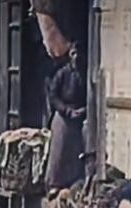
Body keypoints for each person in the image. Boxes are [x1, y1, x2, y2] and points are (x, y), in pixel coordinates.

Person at [45, 42, 86, 196]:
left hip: (79, 115)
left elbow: (90, 95)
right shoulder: (62, 73)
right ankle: (53, 184)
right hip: (63, 114)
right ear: (70, 56)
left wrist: (83, 110)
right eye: (74, 54)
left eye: (78, 54)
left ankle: (72, 183)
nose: (76, 57)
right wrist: (66, 110)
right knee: (59, 148)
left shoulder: (84, 74)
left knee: (76, 150)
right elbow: (53, 96)